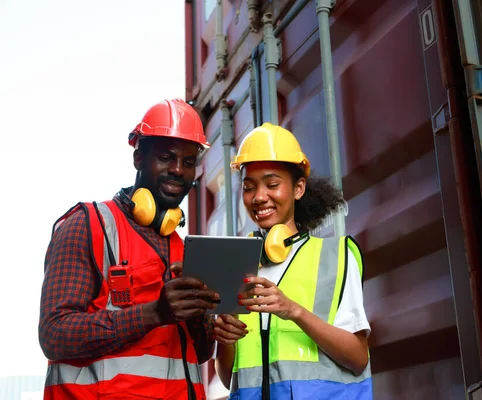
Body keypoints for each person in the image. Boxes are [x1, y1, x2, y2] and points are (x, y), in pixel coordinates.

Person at [39, 99, 220, 400]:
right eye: (166, 157)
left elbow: (195, 356)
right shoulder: (88, 225)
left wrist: (205, 324)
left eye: (188, 162)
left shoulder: (183, 249)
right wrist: (154, 313)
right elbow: (54, 334)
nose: (177, 169)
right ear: (138, 158)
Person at [213, 123, 373, 399]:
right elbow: (230, 380)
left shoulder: (335, 257)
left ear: (299, 188)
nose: (259, 197)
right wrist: (225, 340)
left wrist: (293, 311)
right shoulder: (236, 262)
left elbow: (358, 359)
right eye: (249, 187)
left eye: (272, 184)